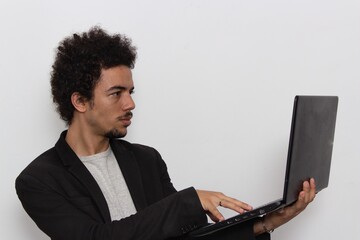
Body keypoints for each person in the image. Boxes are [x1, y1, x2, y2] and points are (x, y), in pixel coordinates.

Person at [15, 27, 316, 240]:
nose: (130, 103)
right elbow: (97, 237)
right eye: (116, 93)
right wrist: (187, 202)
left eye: (131, 91)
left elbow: (182, 236)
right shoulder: (39, 181)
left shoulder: (147, 160)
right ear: (80, 101)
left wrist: (266, 223)